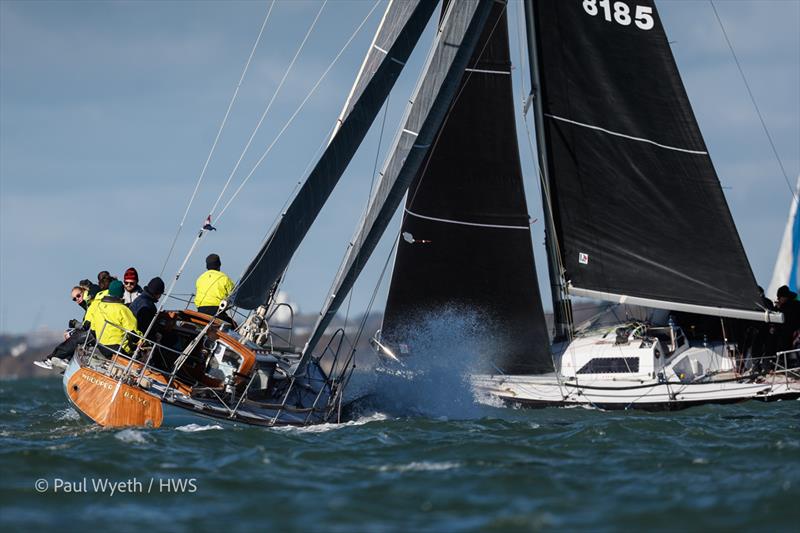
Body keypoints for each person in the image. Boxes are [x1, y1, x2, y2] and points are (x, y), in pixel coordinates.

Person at [84, 280, 141, 357]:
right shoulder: (123, 309)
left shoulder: (98, 306)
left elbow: (93, 330)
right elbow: (133, 333)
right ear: (121, 293)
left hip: (101, 347)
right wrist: (143, 341)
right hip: (119, 349)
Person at [195, 253, 235, 325]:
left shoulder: (200, 278)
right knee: (233, 326)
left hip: (201, 311)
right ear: (219, 265)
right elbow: (234, 295)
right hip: (217, 311)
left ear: (207, 266)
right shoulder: (224, 278)